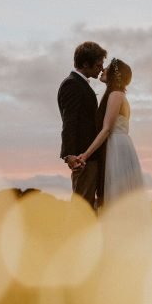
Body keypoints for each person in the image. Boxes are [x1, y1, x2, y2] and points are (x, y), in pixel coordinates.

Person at [77, 58, 146, 206]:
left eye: (107, 68)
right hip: (120, 144)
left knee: (115, 196)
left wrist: (85, 155)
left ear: (115, 74)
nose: (102, 70)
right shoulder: (118, 94)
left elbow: (107, 128)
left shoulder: (116, 94)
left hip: (116, 147)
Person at [58, 41, 107, 210]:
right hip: (82, 158)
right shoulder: (72, 84)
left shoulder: (81, 84)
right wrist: (70, 155)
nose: (101, 68)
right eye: (99, 64)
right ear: (86, 63)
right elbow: (69, 121)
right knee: (83, 207)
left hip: (89, 156)